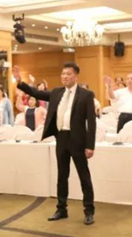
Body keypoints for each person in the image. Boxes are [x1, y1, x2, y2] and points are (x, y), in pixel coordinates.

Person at [13, 63, 97, 225]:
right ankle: (61, 208)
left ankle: (89, 210)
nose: (65, 77)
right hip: (61, 138)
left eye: (68, 74)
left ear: (76, 76)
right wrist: (20, 82)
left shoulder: (86, 95)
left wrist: (90, 145)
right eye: (63, 74)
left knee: (84, 176)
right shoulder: (57, 92)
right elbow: (36, 93)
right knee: (62, 175)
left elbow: (91, 122)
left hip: (78, 140)